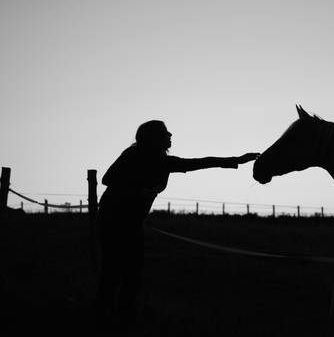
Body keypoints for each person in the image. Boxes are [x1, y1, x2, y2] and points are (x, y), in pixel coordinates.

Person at [95, 120, 258, 327]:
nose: (170, 135)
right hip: (113, 221)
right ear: (153, 137)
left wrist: (237, 160)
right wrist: (138, 190)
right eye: (165, 133)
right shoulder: (132, 155)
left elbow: (200, 162)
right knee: (113, 272)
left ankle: (122, 318)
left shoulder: (163, 162)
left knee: (131, 274)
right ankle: (104, 318)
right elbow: (108, 179)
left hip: (132, 224)